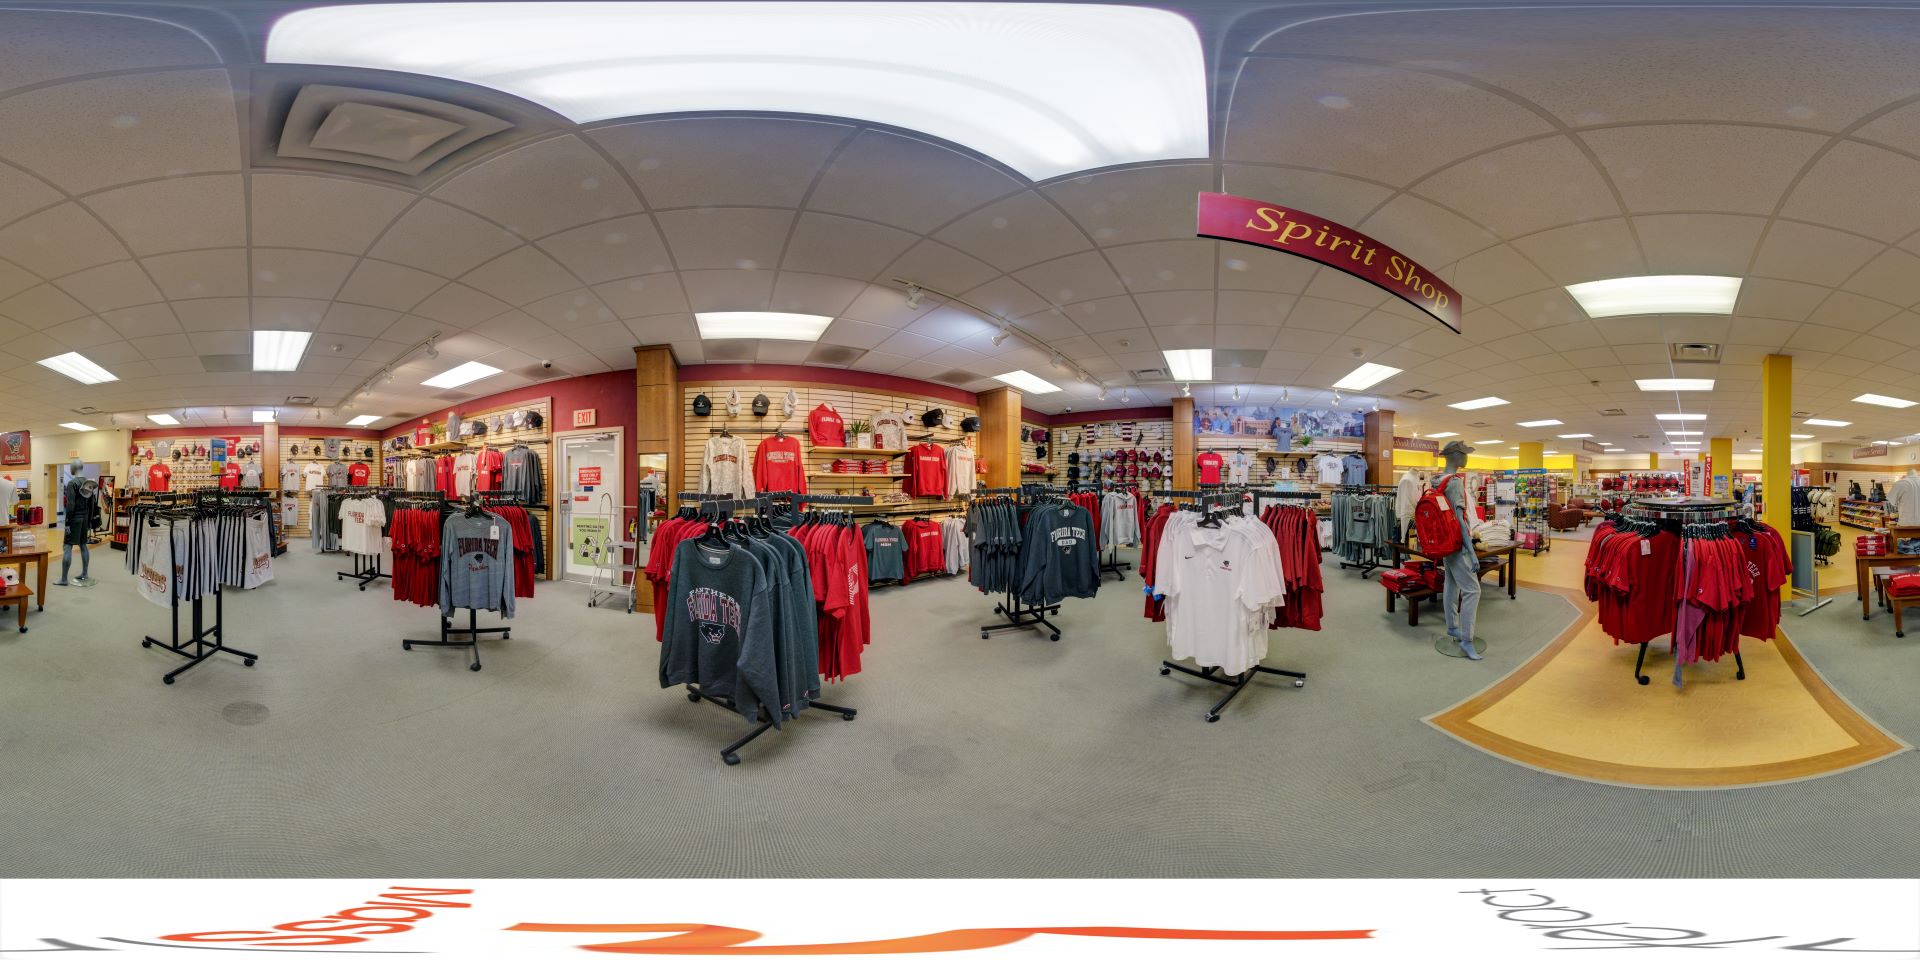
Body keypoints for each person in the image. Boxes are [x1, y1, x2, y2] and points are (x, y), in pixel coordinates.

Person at [1433, 441, 1482, 660]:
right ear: (1455, 455)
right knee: (1473, 590)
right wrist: (1471, 551)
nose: (1467, 458)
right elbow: (1460, 521)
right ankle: (1466, 640)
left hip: (1445, 543)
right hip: (1457, 544)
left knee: (1451, 584)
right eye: (1464, 454)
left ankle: (1453, 627)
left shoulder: (1437, 480)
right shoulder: (1453, 483)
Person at [54, 458, 102, 587]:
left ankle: (64, 579)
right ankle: (85, 573)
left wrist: (67, 523)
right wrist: (90, 519)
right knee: (83, 545)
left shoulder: (72, 483)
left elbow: (70, 505)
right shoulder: (89, 483)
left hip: (74, 518)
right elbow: (92, 503)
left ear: (74, 468)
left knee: (67, 546)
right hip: (85, 518)